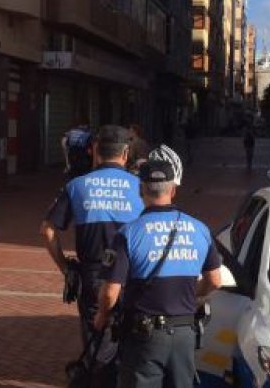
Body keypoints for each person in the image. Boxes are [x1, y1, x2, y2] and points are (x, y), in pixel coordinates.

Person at [94, 145, 221, 388]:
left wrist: (102, 315)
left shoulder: (128, 233)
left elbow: (110, 292)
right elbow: (215, 280)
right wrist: (191, 296)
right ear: (173, 190)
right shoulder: (200, 229)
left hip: (144, 336)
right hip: (185, 333)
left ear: (141, 189)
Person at [42, 125, 142, 358]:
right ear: (125, 154)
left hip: (94, 275)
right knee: (133, 344)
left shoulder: (77, 186)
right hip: (133, 276)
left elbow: (46, 230)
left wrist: (65, 267)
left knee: (97, 344)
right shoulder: (140, 187)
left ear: (95, 151)